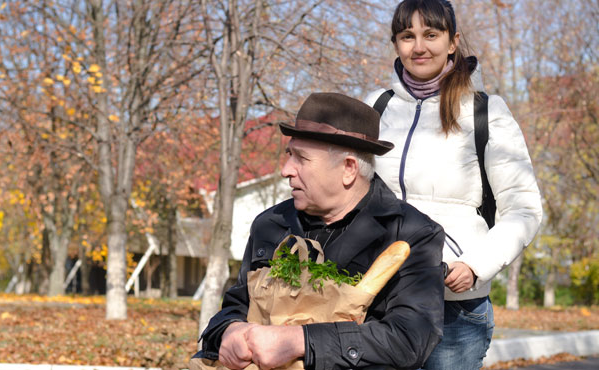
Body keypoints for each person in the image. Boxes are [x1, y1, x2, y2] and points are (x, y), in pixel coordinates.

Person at [191, 92, 446, 370]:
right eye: (289, 154)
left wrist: (300, 340)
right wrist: (228, 330)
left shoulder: (410, 232)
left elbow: (409, 340)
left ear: (348, 169)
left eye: (301, 158)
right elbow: (236, 302)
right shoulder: (270, 224)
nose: (286, 170)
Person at [364, 1, 543, 370]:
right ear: (396, 44)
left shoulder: (485, 111)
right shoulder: (375, 107)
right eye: (406, 36)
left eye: (431, 34)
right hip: (374, 300)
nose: (419, 47)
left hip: (453, 308)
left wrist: (476, 265)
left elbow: (523, 208)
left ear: (452, 42)